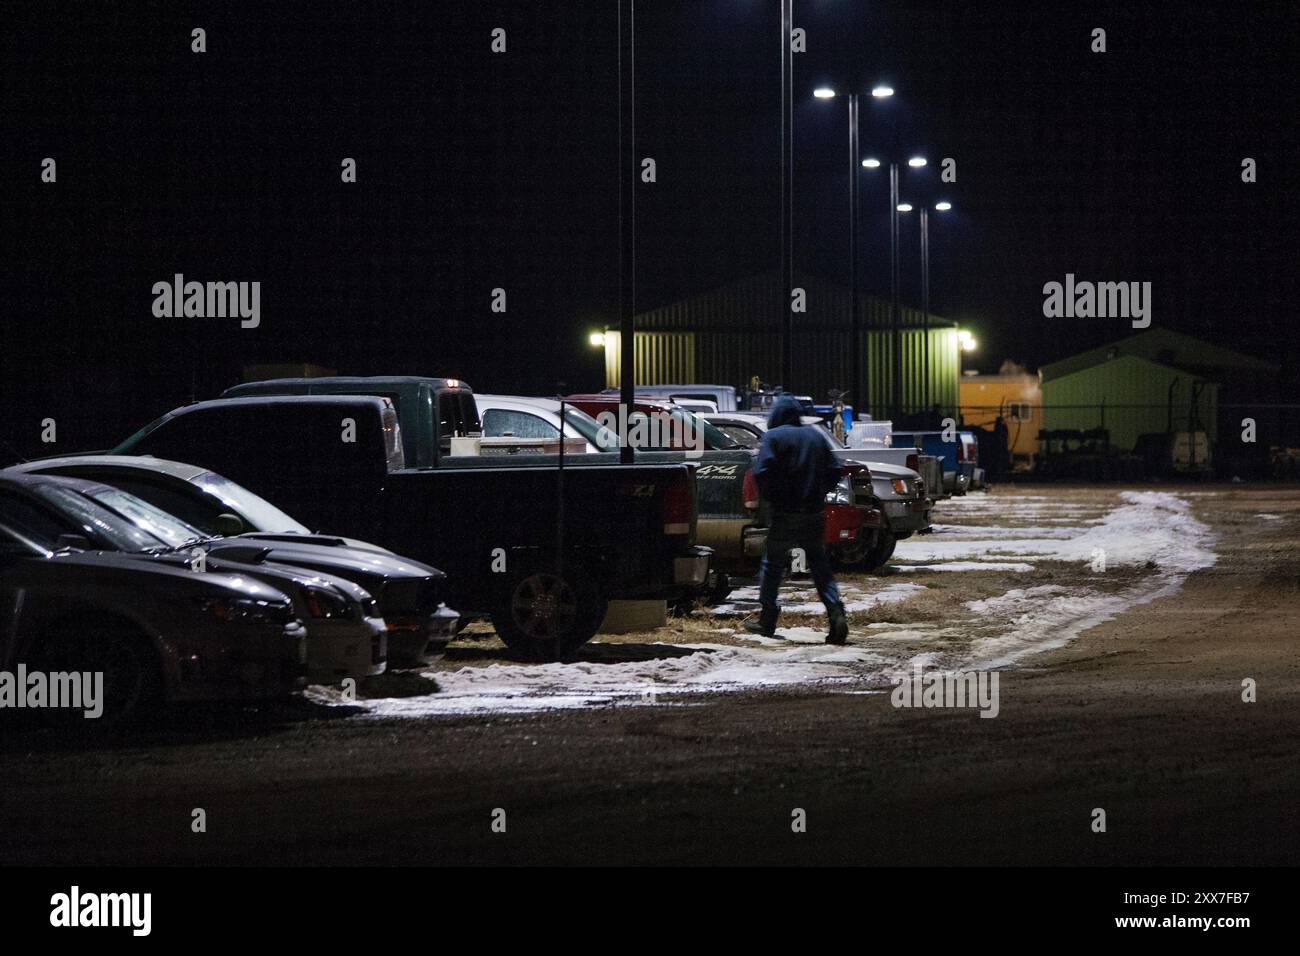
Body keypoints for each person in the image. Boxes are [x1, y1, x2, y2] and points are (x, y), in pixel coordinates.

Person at [746, 395, 848, 644]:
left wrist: (773, 496)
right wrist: (819, 490)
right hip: (813, 512)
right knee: (820, 567)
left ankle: (767, 619)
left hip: (785, 513)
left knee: (773, 566)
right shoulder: (815, 435)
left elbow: (762, 471)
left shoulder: (773, 437)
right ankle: (836, 614)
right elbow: (836, 469)